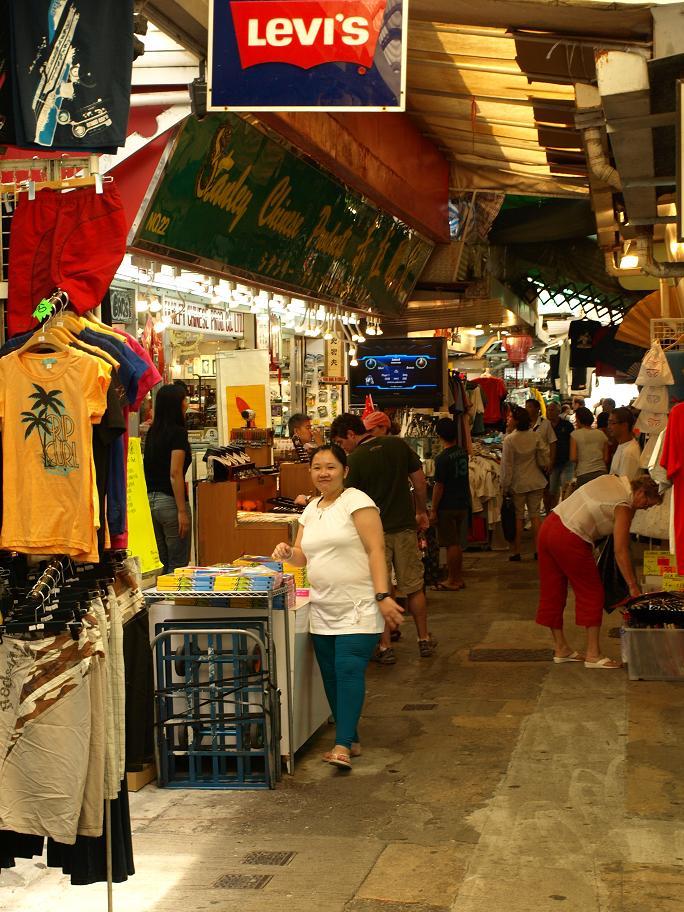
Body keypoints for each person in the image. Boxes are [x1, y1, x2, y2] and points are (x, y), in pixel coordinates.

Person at [272, 445, 404, 771]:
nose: (323, 473)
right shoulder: (311, 509)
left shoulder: (357, 502)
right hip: (322, 606)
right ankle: (352, 737)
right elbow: (303, 555)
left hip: (358, 606)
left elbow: (376, 550)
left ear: (345, 471)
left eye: (330, 467)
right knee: (330, 676)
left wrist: (382, 595)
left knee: (347, 669)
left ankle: (342, 745)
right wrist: (288, 553)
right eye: (317, 467)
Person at [330, 413, 437, 662]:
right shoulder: (398, 445)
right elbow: (419, 482)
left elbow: (345, 500)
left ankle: (385, 646)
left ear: (351, 434)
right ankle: (424, 640)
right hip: (404, 527)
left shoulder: (354, 461)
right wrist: (421, 510)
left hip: (372, 534)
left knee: (380, 588)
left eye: (340, 441)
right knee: (414, 586)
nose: (341, 447)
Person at [536, 474, 662, 667]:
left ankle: (561, 648)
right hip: (570, 537)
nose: (644, 508)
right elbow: (620, 551)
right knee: (592, 592)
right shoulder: (623, 505)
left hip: (549, 527)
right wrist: (633, 586)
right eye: (646, 503)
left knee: (553, 590)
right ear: (640, 492)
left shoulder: (613, 480)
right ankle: (593, 654)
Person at [143, 384, 191, 575]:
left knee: (162, 565)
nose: (187, 404)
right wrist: (181, 511)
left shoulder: (153, 432)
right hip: (170, 503)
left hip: (151, 502)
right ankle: (174, 604)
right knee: (178, 566)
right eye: (184, 400)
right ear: (176, 405)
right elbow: (175, 473)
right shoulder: (177, 432)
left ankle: (157, 604)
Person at [501, 406, 549, 561]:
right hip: (535, 480)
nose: (508, 420)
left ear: (516, 421)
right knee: (535, 516)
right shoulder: (534, 436)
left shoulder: (510, 439)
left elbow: (507, 465)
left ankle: (516, 551)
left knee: (519, 517)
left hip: (518, 482)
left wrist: (505, 485)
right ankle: (538, 550)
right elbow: (544, 456)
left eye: (510, 417)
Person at [429, 417, 470, 590]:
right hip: (462, 501)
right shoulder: (462, 452)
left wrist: (434, 509)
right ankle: (457, 577)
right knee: (458, 543)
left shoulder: (442, 459)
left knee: (451, 544)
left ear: (439, 435)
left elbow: (439, 486)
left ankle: (453, 580)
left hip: (448, 505)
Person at [544, 401, 573, 511]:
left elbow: (572, 441)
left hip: (566, 461)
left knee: (566, 488)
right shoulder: (544, 425)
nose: (549, 412)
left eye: (552, 410)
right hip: (551, 463)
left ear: (558, 411)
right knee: (552, 490)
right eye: (548, 410)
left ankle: (564, 511)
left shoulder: (567, 425)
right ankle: (553, 511)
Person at [571, 406, 609, 487]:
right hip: (601, 472)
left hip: (584, 472)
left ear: (578, 419)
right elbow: (606, 458)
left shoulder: (575, 435)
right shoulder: (601, 434)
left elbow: (573, 457)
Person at [608, 407, 642, 480]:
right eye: (609, 423)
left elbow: (625, 485)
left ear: (624, 425)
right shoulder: (623, 445)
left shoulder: (628, 452)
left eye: (613, 423)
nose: (609, 427)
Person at [525, 398, 556, 469]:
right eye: (526, 407)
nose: (527, 409)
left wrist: (551, 462)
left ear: (537, 409)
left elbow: (553, 443)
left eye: (529, 407)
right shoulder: (523, 424)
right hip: (528, 465)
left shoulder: (546, 423)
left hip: (543, 463)